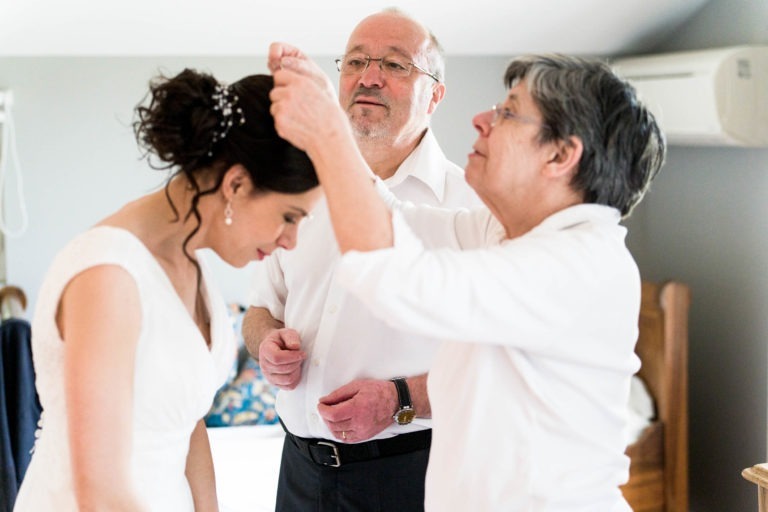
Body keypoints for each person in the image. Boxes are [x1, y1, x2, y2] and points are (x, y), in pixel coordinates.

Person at [267, 44, 666, 511]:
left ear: (560, 155)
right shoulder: (502, 233)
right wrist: (332, 121)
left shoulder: (577, 266)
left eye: (508, 114)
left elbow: (398, 278)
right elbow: (392, 218)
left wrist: (328, 134)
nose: (480, 119)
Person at [13, 70, 320, 512]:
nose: (290, 241)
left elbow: (186, 416)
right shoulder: (108, 274)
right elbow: (99, 492)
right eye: (289, 217)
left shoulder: (189, 263)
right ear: (235, 184)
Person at [241, 8, 479, 512]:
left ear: (435, 94)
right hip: (298, 471)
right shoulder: (299, 190)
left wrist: (399, 401)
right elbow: (261, 309)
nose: (368, 77)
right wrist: (265, 343)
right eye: (355, 62)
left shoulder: (473, 208)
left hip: (412, 474)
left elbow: (495, 370)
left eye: (394, 65)